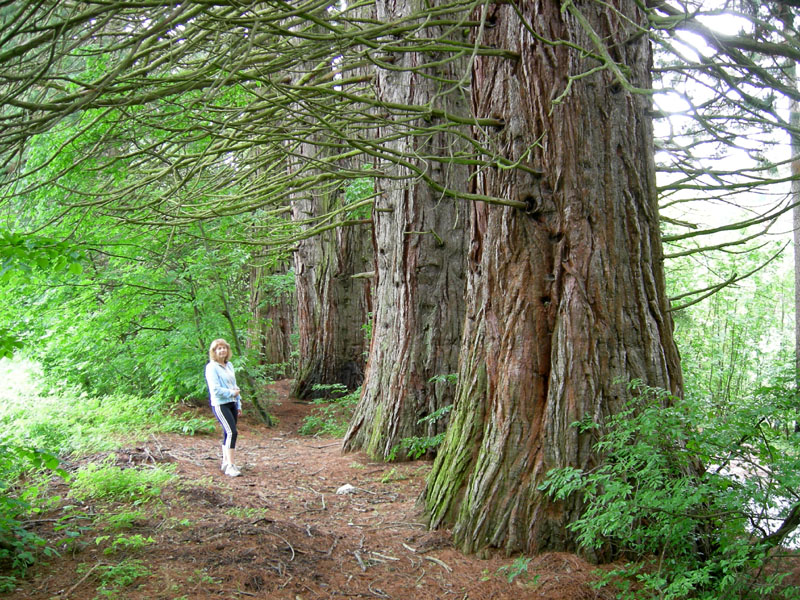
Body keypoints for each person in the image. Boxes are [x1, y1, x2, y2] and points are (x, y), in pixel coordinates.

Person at [205, 338, 243, 477]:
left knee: (228, 433)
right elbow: (214, 389)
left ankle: (226, 462)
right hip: (221, 404)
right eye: (219, 348)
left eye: (224, 348)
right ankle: (231, 466)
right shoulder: (211, 367)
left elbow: (234, 386)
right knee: (233, 432)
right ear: (214, 352)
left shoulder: (230, 365)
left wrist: (238, 403)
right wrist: (231, 393)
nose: (222, 350)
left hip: (232, 403)